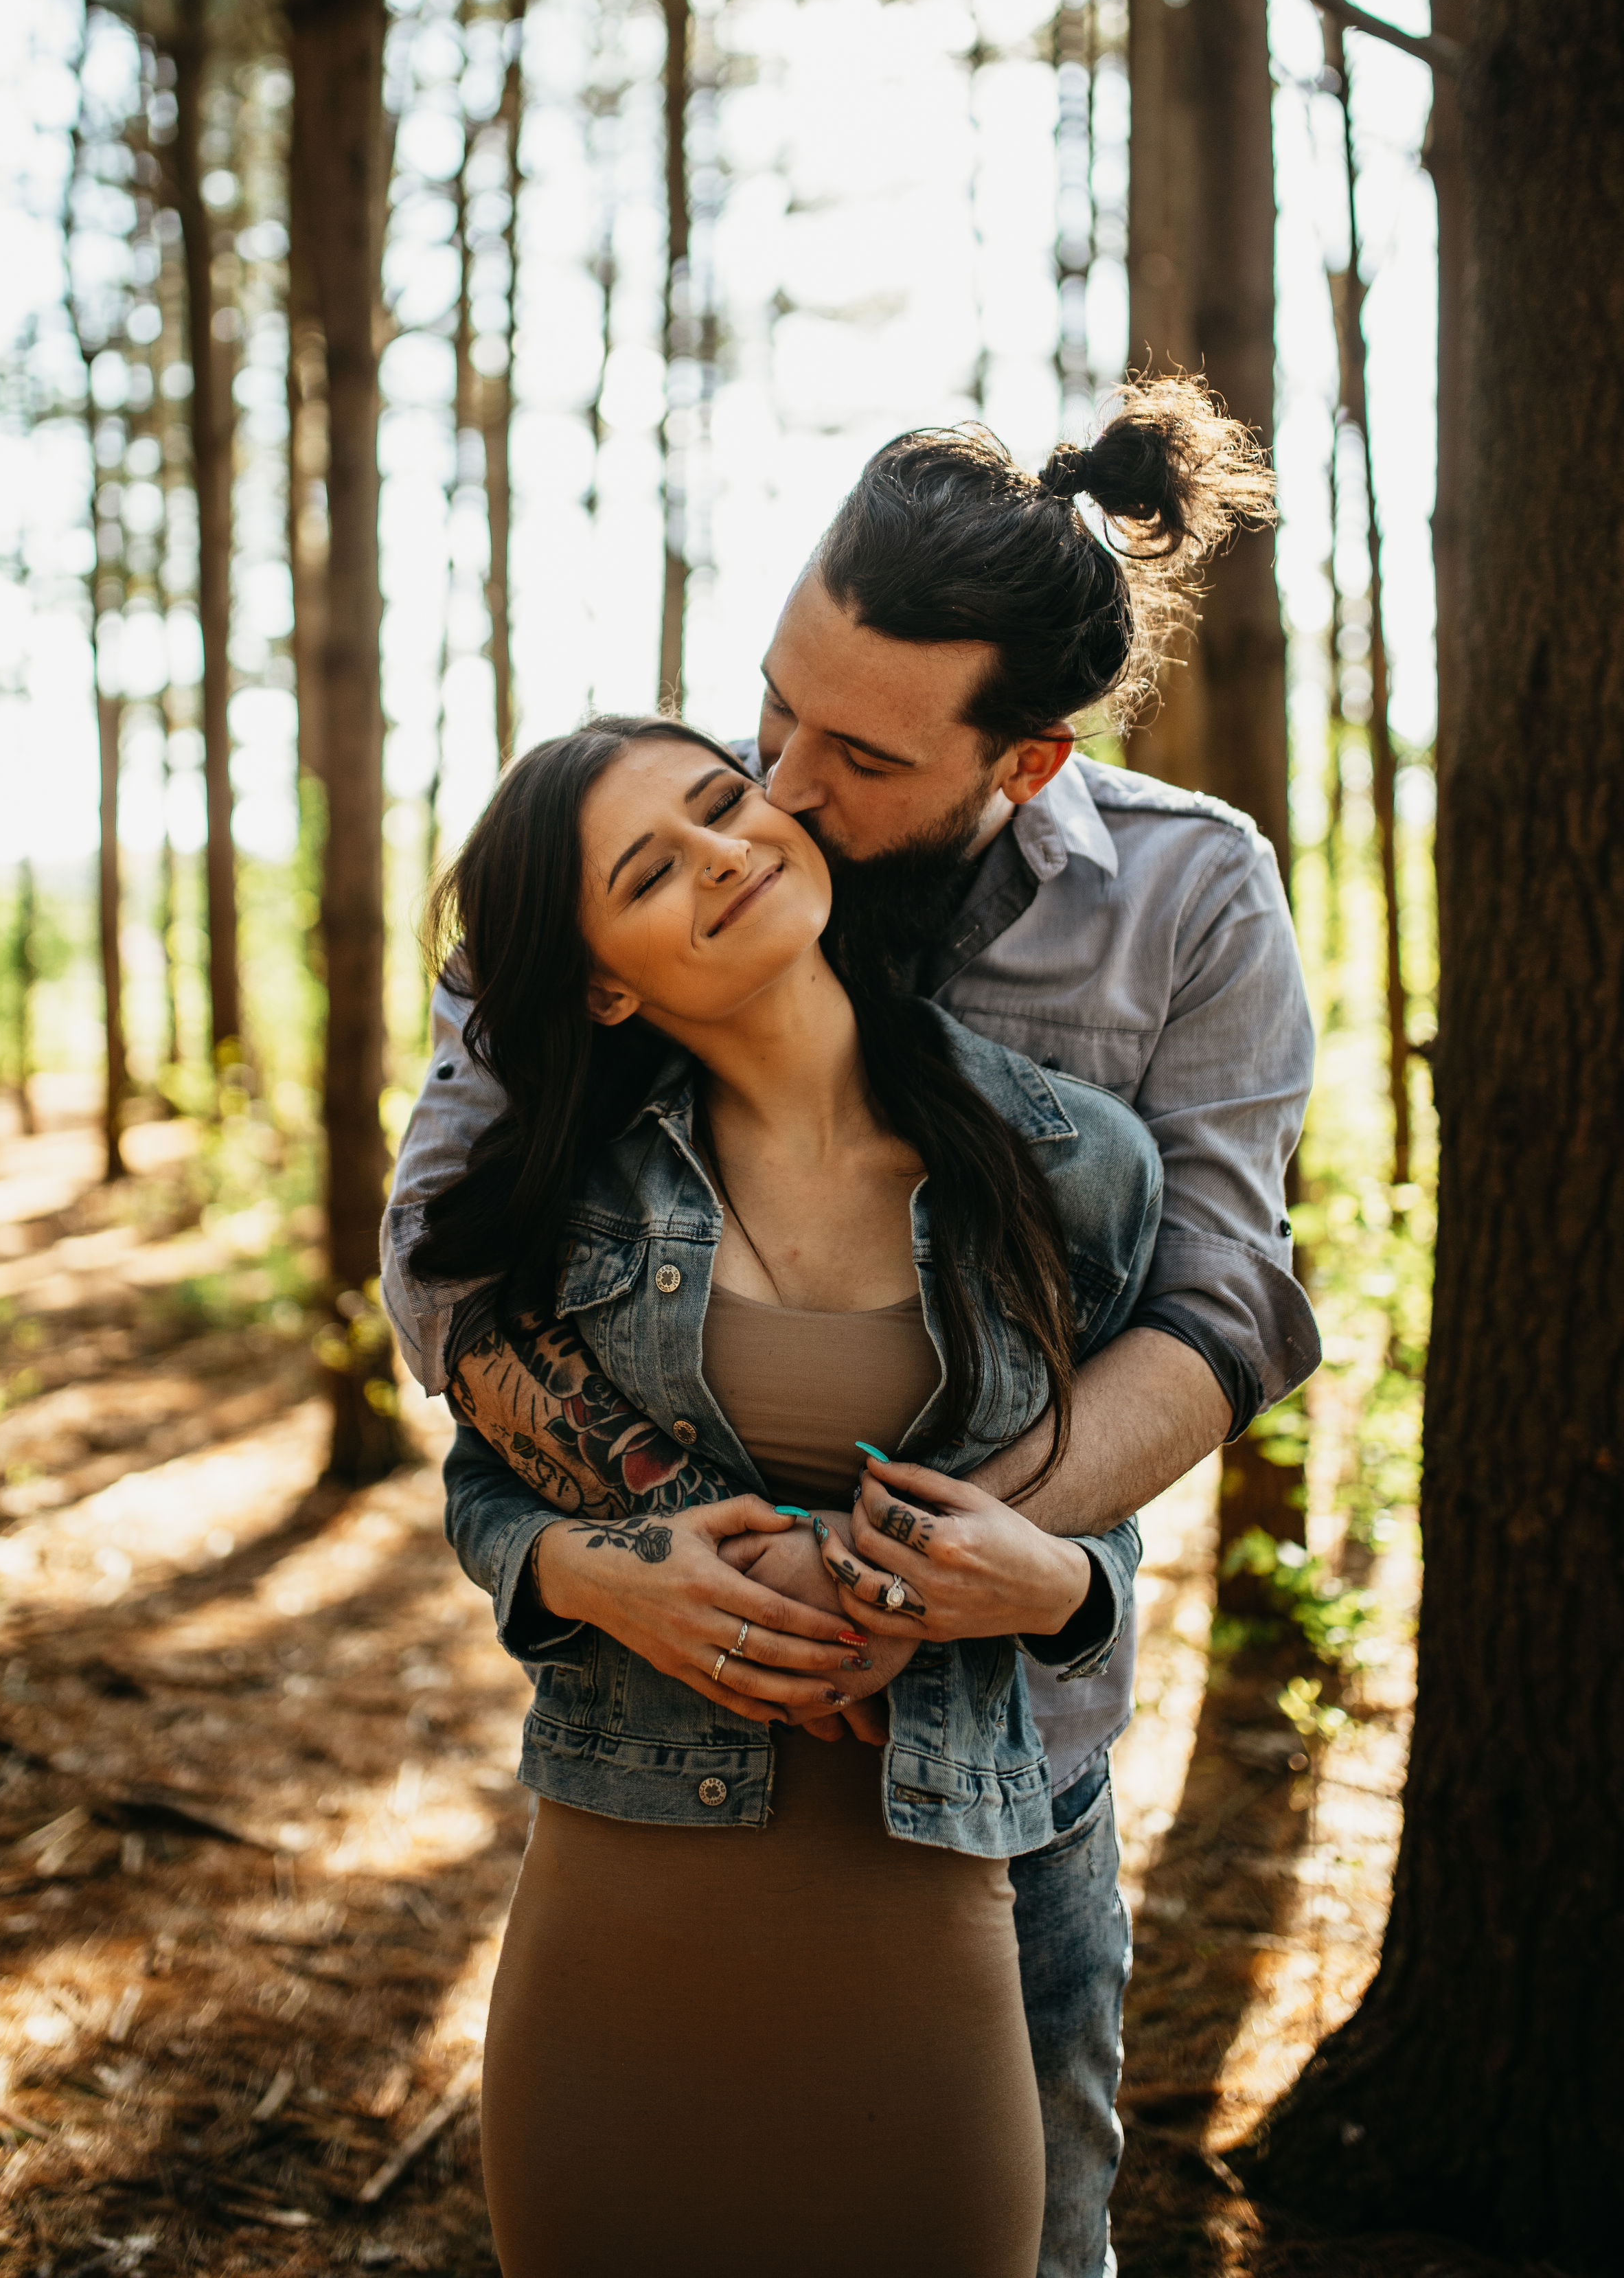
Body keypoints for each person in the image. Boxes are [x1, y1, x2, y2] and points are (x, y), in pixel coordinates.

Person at [385, 376, 1320, 2278]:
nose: (783, 790)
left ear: (1028, 762)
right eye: (774, 704)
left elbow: (1221, 1299)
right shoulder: (624, 852)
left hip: (1014, 1773)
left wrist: (976, 1556)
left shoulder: (1189, 902)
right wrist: (622, 1547)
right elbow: (442, 1257)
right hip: (652, 1781)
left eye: (864, 759)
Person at [421, 711, 1165, 2277]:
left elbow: (1095, 1498)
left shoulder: (1073, 1164)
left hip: (929, 1897)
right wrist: (598, 1570)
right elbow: (490, 1489)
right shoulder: (566, 1199)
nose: (722, 854)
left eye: (722, 804)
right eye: (648, 867)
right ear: (607, 980)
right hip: (623, 1890)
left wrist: (1071, 1589)